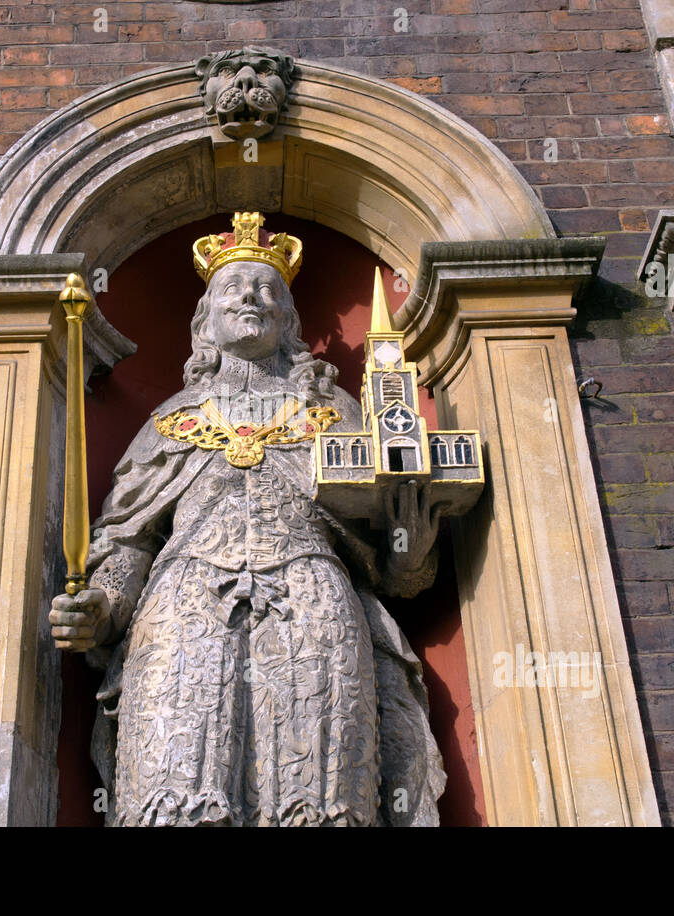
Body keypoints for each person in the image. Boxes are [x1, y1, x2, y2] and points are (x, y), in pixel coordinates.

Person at [50, 213, 445, 826]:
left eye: (268, 289)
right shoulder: (169, 420)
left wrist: (409, 549)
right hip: (184, 610)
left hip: (313, 604)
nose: (252, 298)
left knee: (317, 804)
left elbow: (393, 568)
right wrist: (101, 604)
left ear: (288, 318)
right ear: (205, 319)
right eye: (233, 288)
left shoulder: (334, 411)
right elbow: (129, 538)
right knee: (174, 797)